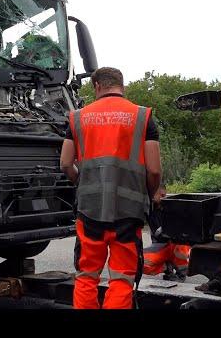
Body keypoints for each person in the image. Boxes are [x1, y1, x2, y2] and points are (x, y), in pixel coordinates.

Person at [60, 67, 162, 309]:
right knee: (122, 277)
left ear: (96, 86)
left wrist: (82, 183)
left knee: (86, 275)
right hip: (128, 211)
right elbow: (154, 170)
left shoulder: (77, 118)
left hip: (89, 209)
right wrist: (149, 194)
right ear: (121, 85)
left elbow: (65, 164)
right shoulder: (142, 117)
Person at [143, 185, 192, 279]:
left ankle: (181, 273)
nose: (162, 197)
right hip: (160, 246)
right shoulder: (148, 208)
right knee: (139, 262)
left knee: (182, 248)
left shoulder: (175, 207)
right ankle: (167, 267)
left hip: (176, 244)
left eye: (163, 195)